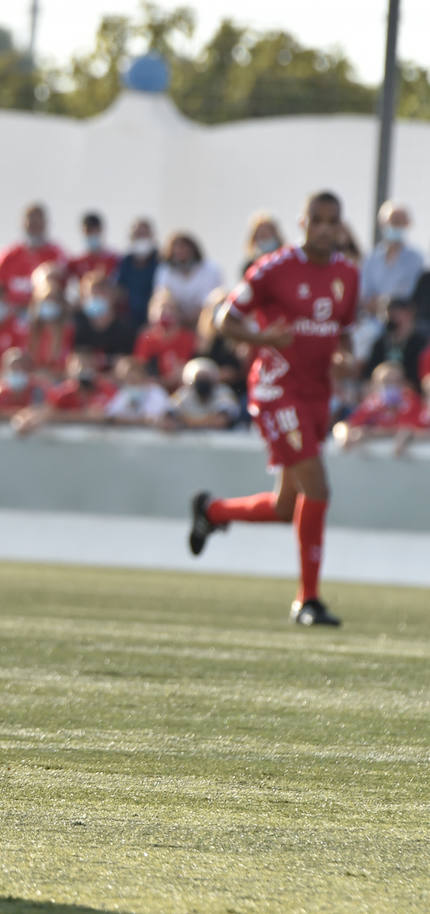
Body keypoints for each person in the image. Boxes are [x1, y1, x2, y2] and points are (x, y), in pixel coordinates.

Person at [188, 190, 359, 627]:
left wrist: (343, 358)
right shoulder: (274, 268)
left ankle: (212, 512)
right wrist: (264, 340)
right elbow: (226, 318)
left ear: (340, 226)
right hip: (276, 390)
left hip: (316, 393)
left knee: (288, 507)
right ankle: (308, 600)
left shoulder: (347, 274)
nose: (324, 228)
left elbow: (343, 335)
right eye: (316, 220)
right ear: (303, 222)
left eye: (331, 221)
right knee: (318, 488)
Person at [0, 202, 64, 310]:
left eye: (37, 225)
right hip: (12, 314)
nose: (34, 229)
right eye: (31, 225)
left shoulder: (56, 254)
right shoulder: (8, 255)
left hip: (42, 313)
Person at [153, 231, 224, 323]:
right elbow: (162, 295)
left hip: (205, 317)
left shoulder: (211, 268)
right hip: (177, 319)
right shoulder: (164, 270)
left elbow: (216, 296)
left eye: (184, 247)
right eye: (177, 248)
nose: (181, 252)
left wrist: (200, 313)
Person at [115, 216, 159, 329]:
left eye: (144, 234)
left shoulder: (160, 261)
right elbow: (120, 289)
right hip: (130, 318)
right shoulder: (126, 261)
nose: (141, 238)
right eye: (137, 235)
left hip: (154, 318)